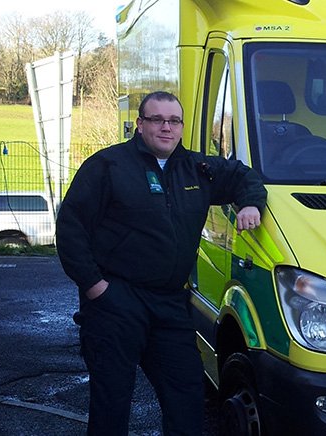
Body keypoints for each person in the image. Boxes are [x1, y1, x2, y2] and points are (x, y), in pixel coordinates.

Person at [56, 91, 267, 436]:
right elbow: (71, 228)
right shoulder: (108, 166)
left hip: (169, 306)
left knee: (186, 396)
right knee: (112, 404)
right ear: (140, 125)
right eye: (157, 120)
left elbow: (245, 177)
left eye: (174, 121)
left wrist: (251, 204)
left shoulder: (197, 169)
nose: (166, 128)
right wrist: (96, 288)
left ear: (182, 127)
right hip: (115, 303)